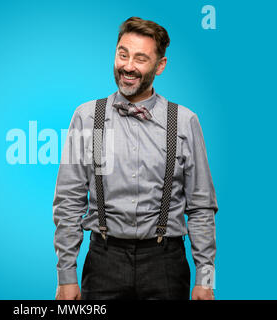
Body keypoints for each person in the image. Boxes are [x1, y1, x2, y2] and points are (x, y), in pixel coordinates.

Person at [53, 16, 218, 300]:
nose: (128, 66)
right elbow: (69, 202)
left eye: (141, 58)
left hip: (165, 263)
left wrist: (206, 278)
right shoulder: (87, 117)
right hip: (103, 261)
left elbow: (201, 207)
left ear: (160, 65)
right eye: (123, 54)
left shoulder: (185, 121)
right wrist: (66, 275)